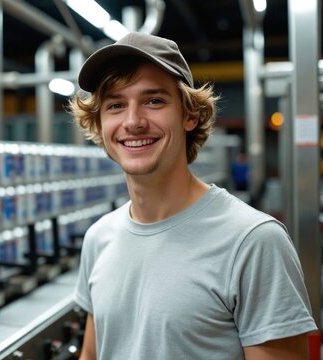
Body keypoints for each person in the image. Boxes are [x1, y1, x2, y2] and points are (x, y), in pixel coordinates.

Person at [69, 32, 317, 359]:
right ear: (100, 123)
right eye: (116, 105)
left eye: (154, 101)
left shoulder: (253, 241)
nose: (133, 121)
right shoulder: (99, 238)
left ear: (190, 115)